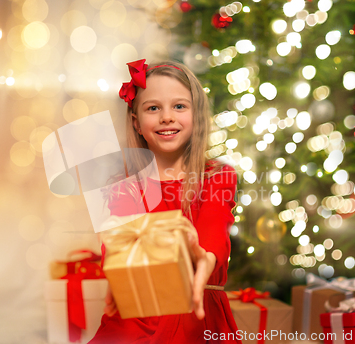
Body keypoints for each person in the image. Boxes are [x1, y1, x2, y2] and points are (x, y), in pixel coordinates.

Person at [89, 59, 241, 344]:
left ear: (197, 116)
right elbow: (119, 246)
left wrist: (203, 260)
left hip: (199, 318)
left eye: (179, 106)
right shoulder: (125, 187)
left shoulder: (217, 176)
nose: (167, 117)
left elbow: (214, 231)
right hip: (140, 318)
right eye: (153, 108)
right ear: (137, 122)